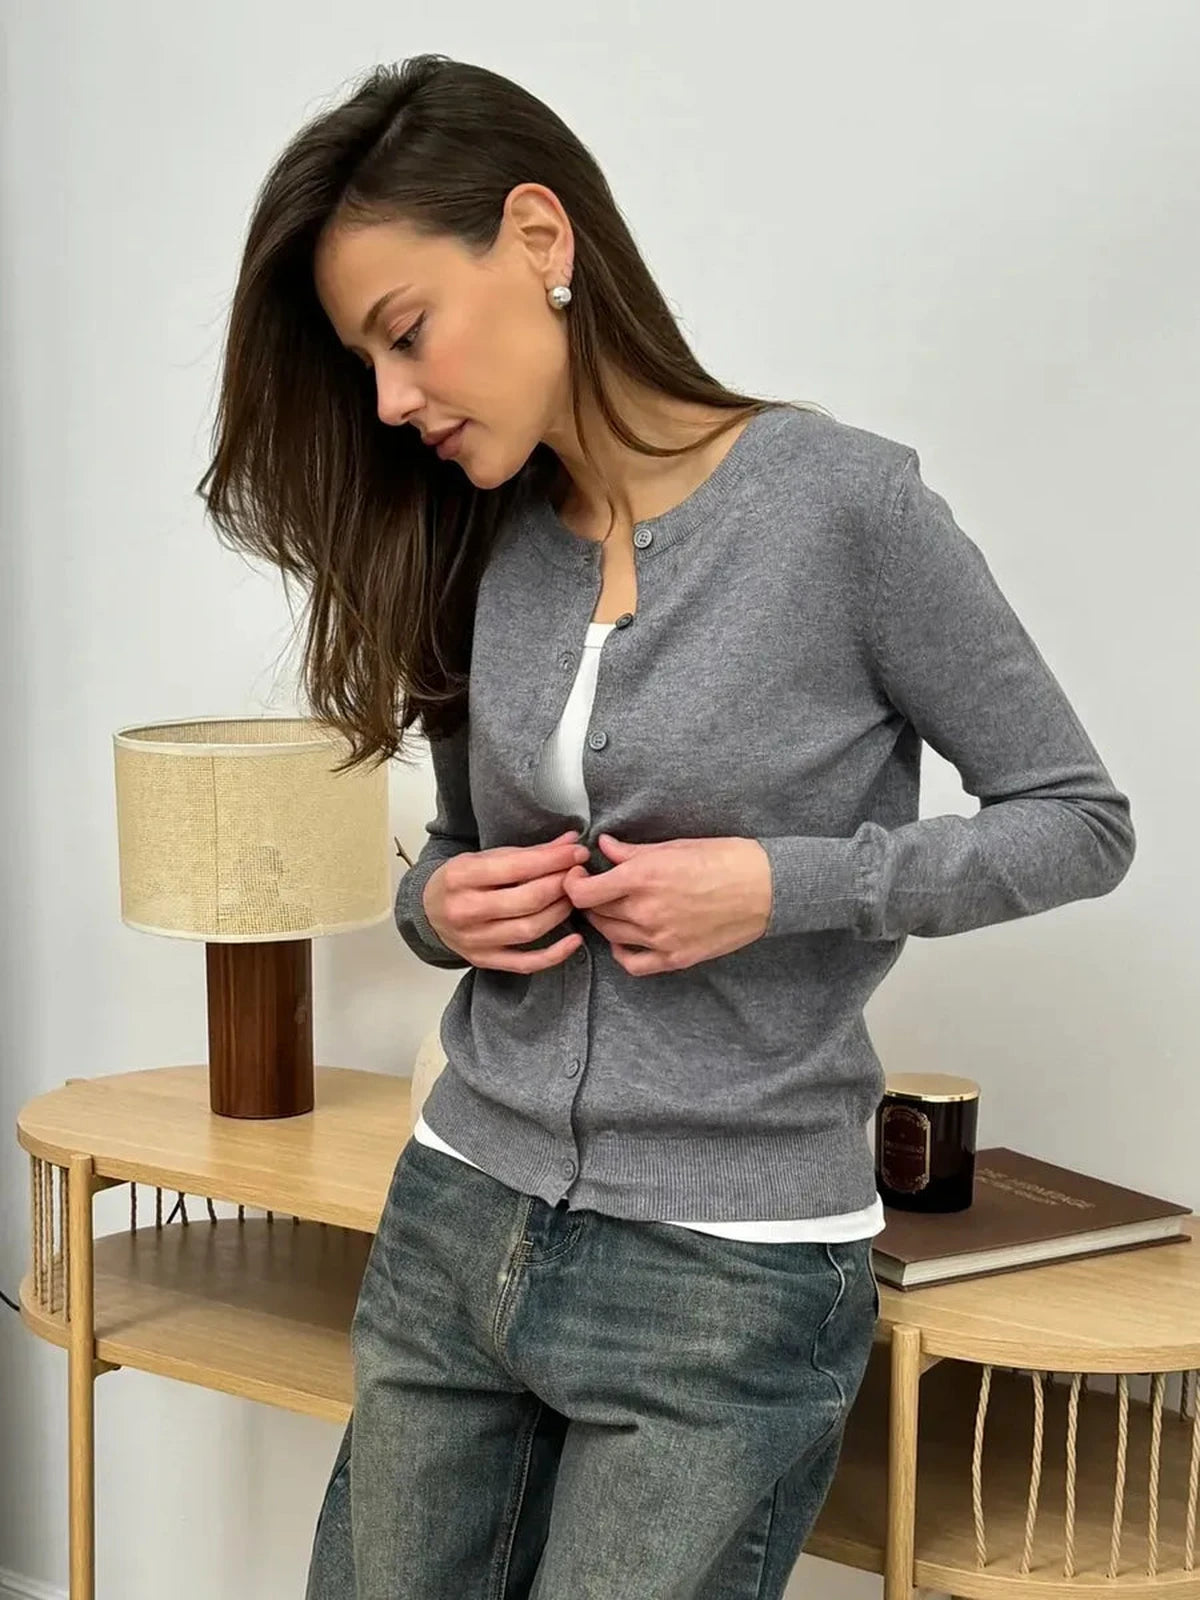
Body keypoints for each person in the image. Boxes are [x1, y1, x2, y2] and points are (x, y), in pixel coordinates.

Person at [196, 52, 1137, 1600]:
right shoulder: (475, 533)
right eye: (367, 363)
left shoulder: (841, 508)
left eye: (406, 334)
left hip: (725, 1274)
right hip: (459, 1215)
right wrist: (444, 910)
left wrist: (782, 885)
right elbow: (454, 858)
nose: (392, 400)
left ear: (538, 239)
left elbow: (1077, 823)